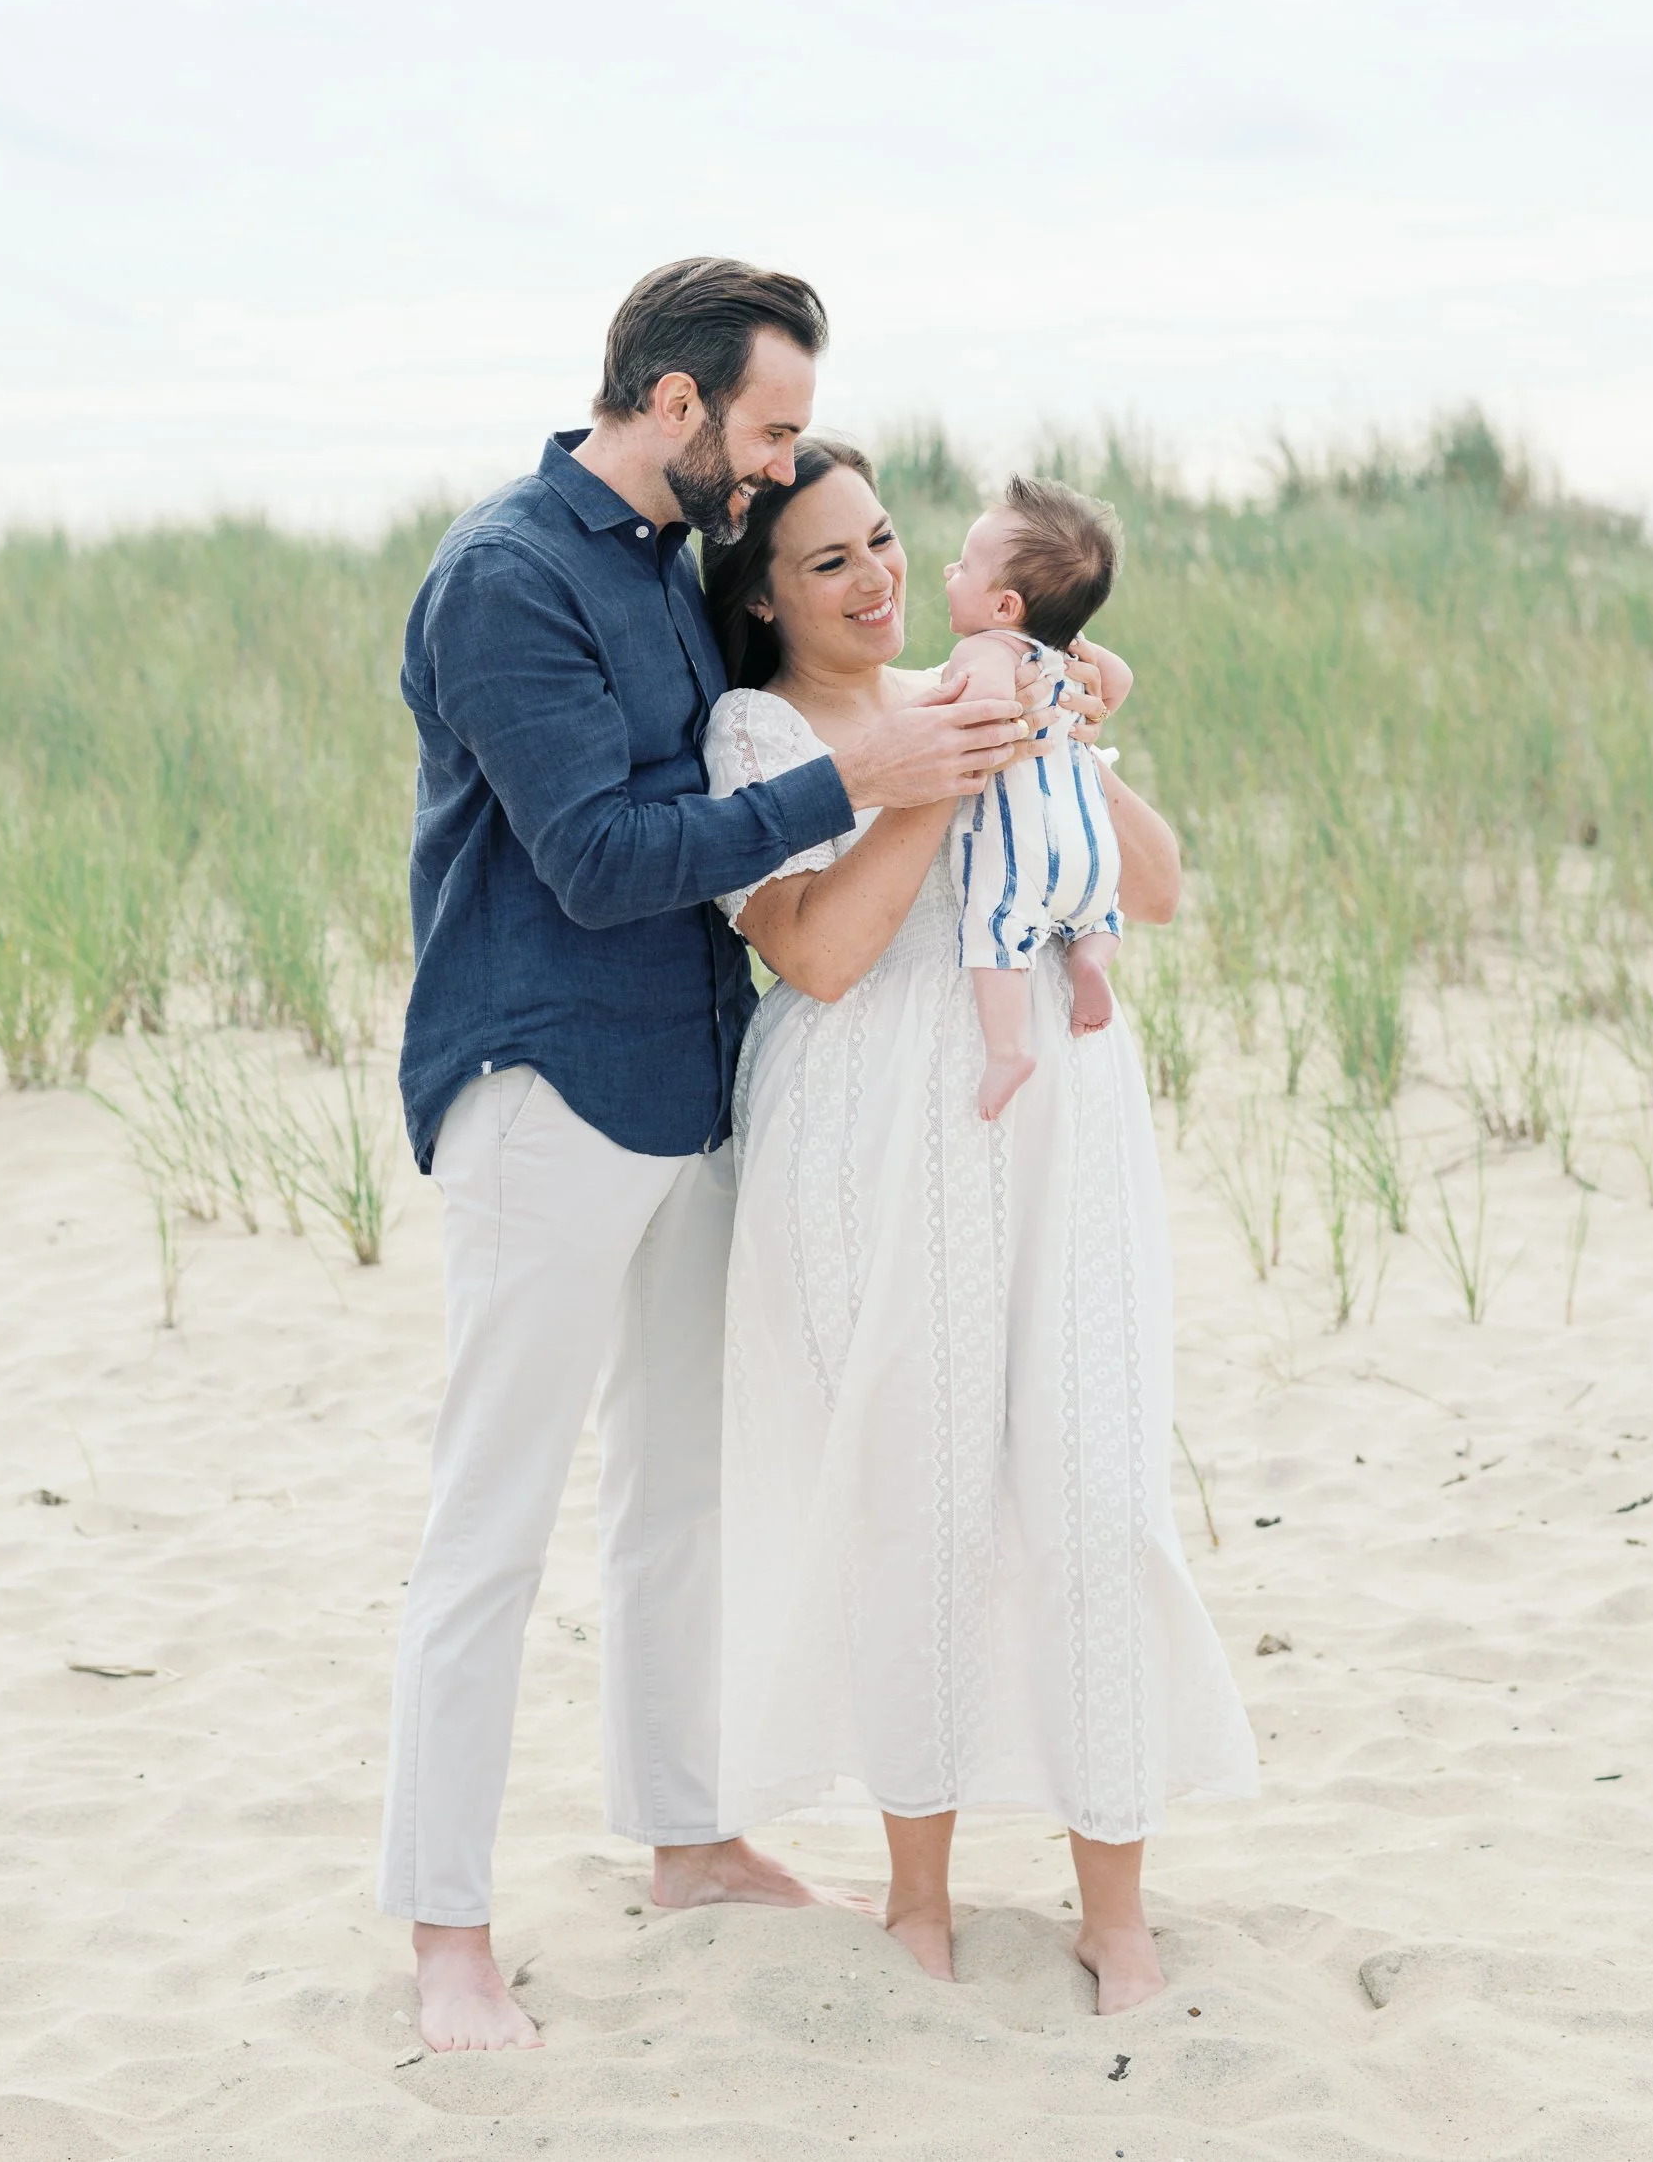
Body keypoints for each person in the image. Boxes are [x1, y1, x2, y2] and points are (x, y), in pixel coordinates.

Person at [377, 259, 1058, 2052]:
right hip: (540, 1085)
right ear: (671, 405)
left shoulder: (664, 570)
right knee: (491, 1529)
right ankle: (447, 1930)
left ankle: (688, 1838)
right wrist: (876, 775)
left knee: (678, 1499)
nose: (767, 475)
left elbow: (810, 696)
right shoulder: (505, 577)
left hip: (693, 1087)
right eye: (757, 432)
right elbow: (602, 856)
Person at [701, 438, 1259, 2011]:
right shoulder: (755, 730)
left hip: (1060, 1131)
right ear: (762, 599)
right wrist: (931, 768)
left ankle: (1116, 1908)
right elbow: (810, 955)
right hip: (875, 1134)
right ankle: (920, 1900)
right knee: (916, 1502)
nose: (876, 577)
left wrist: (1067, 739)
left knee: (1092, 1491)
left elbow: (1146, 893)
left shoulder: (1013, 681)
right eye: (826, 563)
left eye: (883, 541)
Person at [942, 476, 1133, 1120]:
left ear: (1004, 607)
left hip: (1024, 843)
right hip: (1090, 844)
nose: (950, 570)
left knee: (994, 929)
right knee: (1101, 916)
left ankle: (1007, 1049)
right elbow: (1120, 681)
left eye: (965, 566)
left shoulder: (985, 647)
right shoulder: (1069, 655)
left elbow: (988, 704)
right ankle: (1089, 957)